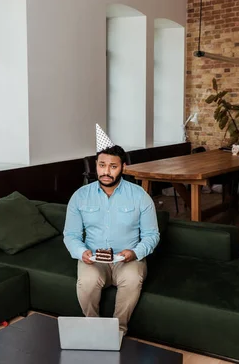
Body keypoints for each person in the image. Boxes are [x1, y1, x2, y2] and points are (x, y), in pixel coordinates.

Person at [63, 125, 160, 334]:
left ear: (123, 167)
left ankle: (118, 331)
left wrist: (135, 252)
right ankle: (96, 330)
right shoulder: (80, 196)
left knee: (133, 279)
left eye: (113, 166)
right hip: (94, 259)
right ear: (96, 166)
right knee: (87, 282)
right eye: (102, 165)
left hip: (128, 259)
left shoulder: (140, 196)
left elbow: (152, 235)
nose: (106, 171)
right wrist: (82, 253)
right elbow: (70, 235)